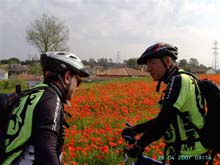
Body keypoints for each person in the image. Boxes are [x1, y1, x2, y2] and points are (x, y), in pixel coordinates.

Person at [122, 43, 209, 165]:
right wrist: (136, 129)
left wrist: (139, 145)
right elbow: (170, 117)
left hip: (189, 155)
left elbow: (164, 121)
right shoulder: (181, 79)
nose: (148, 69)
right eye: (147, 65)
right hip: (186, 153)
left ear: (167, 61)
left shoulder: (179, 80)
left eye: (152, 63)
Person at [1, 51, 90, 164]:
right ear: (67, 77)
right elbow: (46, 151)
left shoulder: (30, 94)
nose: (76, 88)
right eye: (78, 82)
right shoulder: (51, 101)